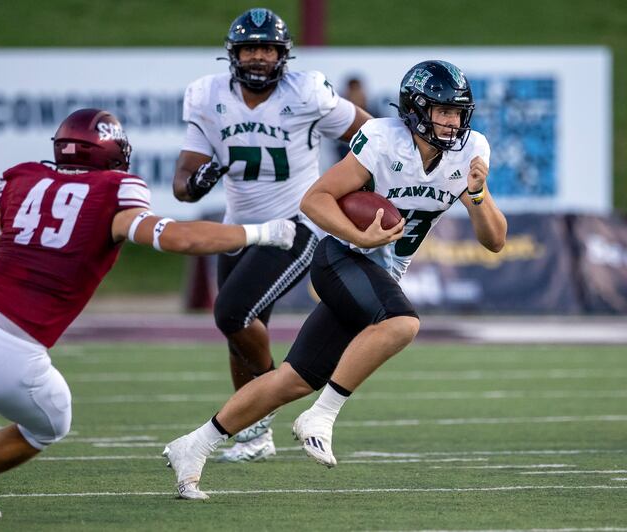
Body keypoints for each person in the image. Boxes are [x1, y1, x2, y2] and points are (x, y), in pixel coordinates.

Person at [0, 108, 296, 519]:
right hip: (12, 345)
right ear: (111, 153)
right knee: (50, 422)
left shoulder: (25, 182)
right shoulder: (114, 192)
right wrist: (259, 234)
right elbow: (180, 239)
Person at [164, 60, 508, 499]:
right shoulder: (384, 140)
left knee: (292, 379)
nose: (451, 121)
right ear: (416, 109)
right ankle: (322, 415)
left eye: (457, 112)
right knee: (402, 323)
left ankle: (193, 446)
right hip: (340, 256)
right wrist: (355, 233)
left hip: (379, 273)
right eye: (441, 111)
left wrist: (477, 194)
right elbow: (315, 199)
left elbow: (495, 241)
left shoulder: (470, 150)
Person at [171, 7, 372, 463]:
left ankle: (263, 408)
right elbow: (182, 181)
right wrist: (195, 183)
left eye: (267, 48)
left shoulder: (306, 93)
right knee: (240, 329)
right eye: (250, 48)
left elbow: (369, 133)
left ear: (283, 55)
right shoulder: (207, 96)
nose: (258, 57)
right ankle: (255, 437)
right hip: (239, 228)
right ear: (233, 54)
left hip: (295, 225)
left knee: (232, 313)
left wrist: (354, 184)